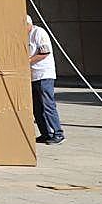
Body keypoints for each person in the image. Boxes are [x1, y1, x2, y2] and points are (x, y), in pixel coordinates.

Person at [27, 14, 64, 144]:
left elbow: (44, 52)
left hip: (43, 75)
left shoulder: (39, 32)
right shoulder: (24, 35)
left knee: (47, 105)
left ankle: (58, 133)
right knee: (37, 107)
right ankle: (46, 133)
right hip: (32, 76)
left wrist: (28, 61)